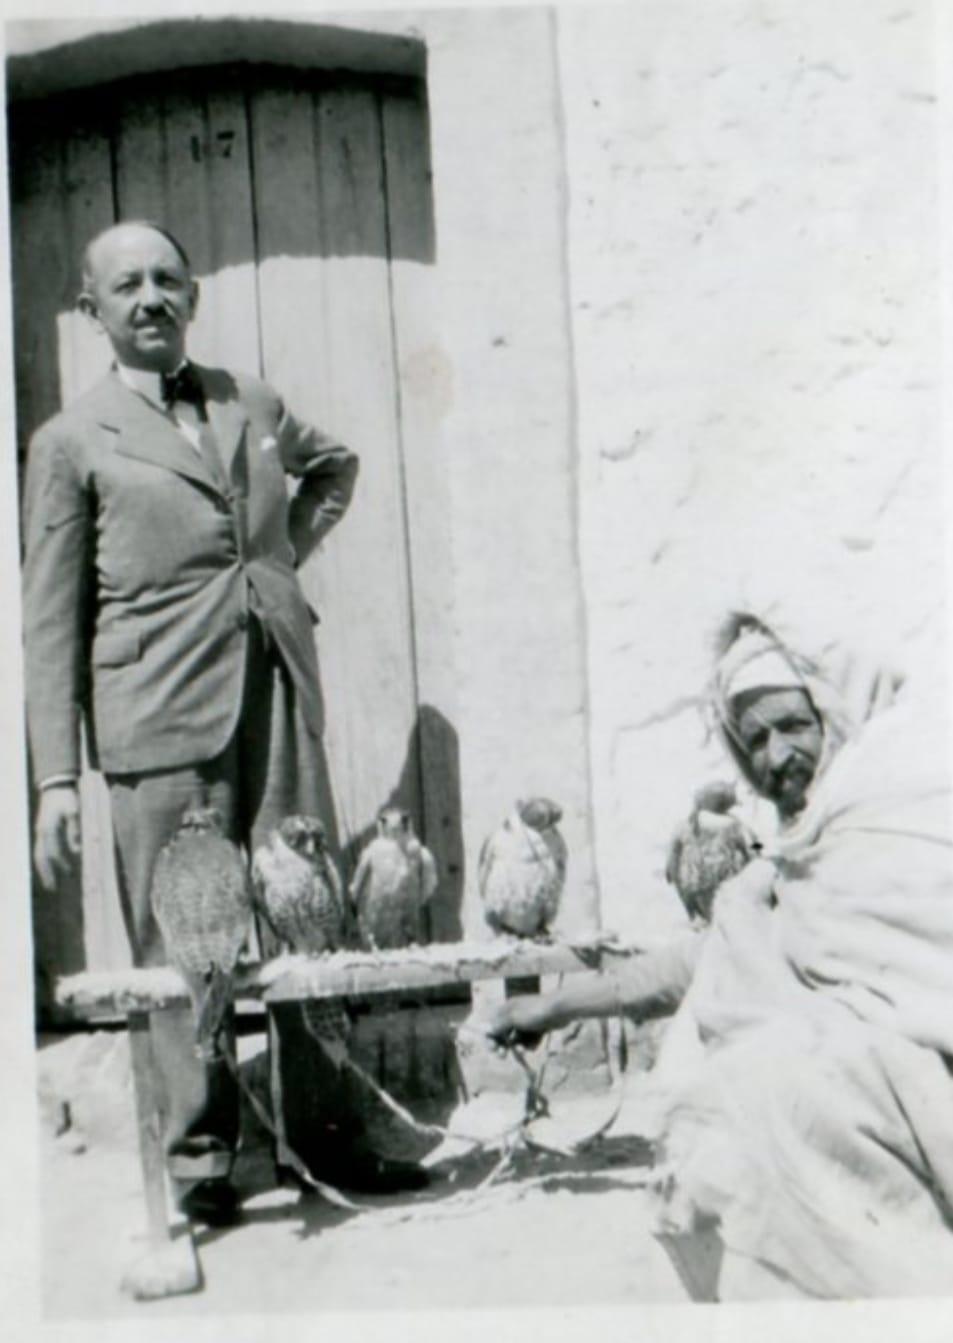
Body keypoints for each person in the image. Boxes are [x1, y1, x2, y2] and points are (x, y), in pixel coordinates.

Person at [22, 220, 428, 1225]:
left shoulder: (249, 400)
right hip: (156, 715)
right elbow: (48, 619)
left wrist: (275, 566)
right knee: (184, 940)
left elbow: (334, 467)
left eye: (167, 279)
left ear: (193, 295)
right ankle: (200, 1162)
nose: (150, 298)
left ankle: (327, 1133)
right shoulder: (71, 441)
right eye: (126, 285)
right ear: (92, 309)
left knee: (306, 917)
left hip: (274, 693)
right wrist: (54, 778)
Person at [486, 610, 953, 1298]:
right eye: (754, 739)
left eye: (792, 726)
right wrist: (555, 1005)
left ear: (834, 712)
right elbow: (709, 955)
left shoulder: (907, 810)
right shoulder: (790, 862)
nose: (775, 757)